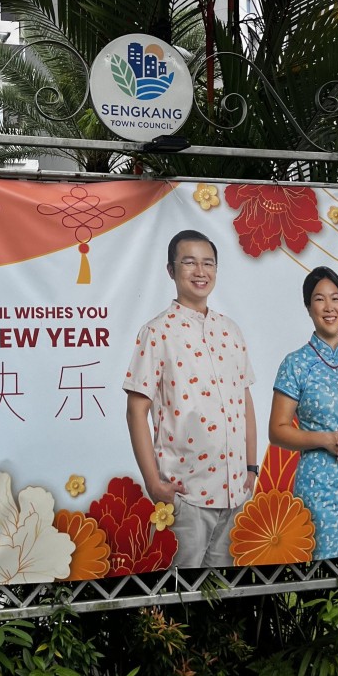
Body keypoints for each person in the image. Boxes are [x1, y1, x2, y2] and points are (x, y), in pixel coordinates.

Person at [123, 230, 257, 568]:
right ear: (171, 270)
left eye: (208, 263)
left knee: (225, 596)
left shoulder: (231, 330)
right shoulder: (156, 332)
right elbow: (136, 412)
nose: (200, 271)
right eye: (189, 262)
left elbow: (245, 401)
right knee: (180, 596)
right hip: (186, 496)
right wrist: (154, 483)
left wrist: (252, 469)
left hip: (236, 491)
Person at [268, 267, 338, 560]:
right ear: (309, 308)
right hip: (316, 491)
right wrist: (325, 440)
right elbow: (278, 430)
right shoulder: (295, 364)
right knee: (316, 572)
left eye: (335, 298)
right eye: (320, 299)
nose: (329, 307)